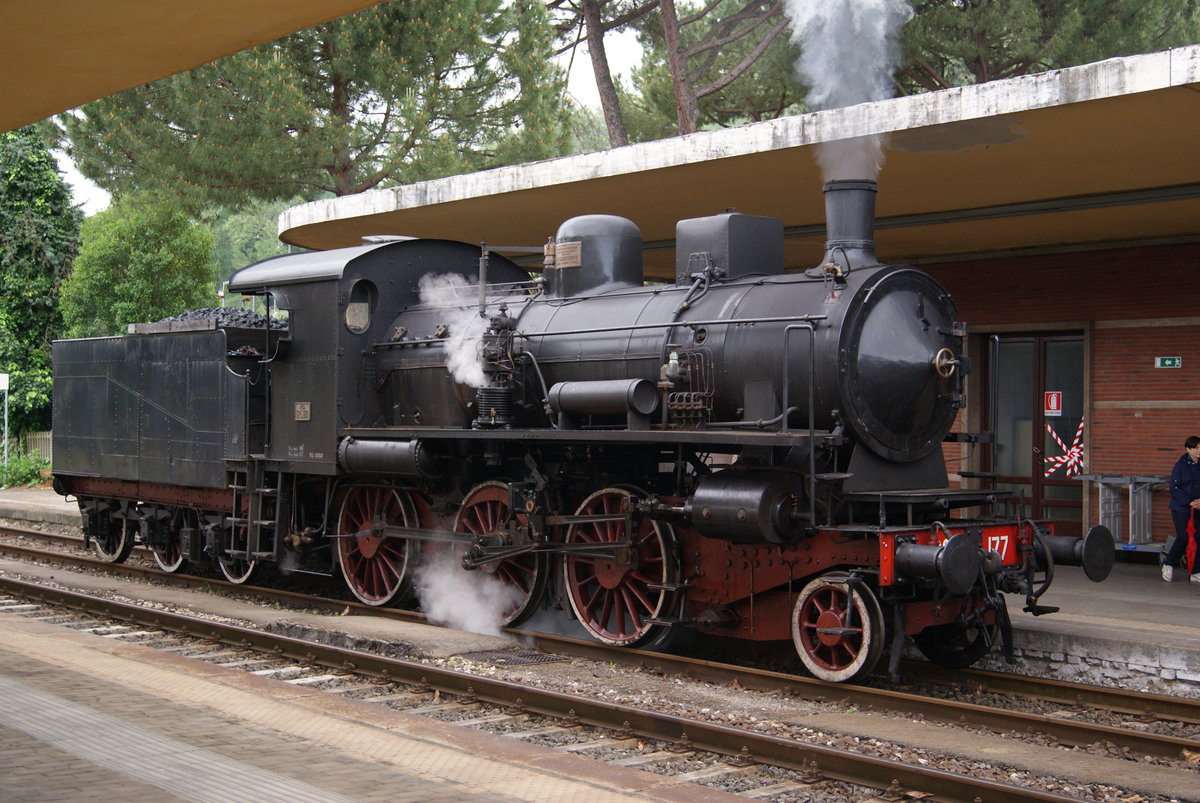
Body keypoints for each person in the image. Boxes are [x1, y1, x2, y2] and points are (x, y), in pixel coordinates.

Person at [1164, 435, 1200, 582]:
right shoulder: (1180, 465)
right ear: (1188, 449)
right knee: (1183, 536)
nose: (1199, 451)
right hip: (1181, 508)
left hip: (1198, 507)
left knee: (1199, 537)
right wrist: (1189, 502)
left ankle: (1196, 571)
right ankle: (1169, 563)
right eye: (1196, 448)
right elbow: (1174, 487)